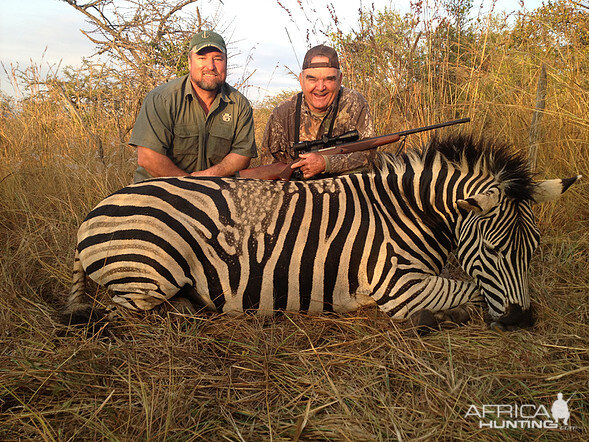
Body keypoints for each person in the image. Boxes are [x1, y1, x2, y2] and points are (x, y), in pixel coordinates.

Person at [129, 30, 257, 182]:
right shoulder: (161, 98)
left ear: (226, 62)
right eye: (202, 58)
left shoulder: (239, 104)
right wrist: (190, 185)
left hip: (213, 191)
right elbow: (148, 158)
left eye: (218, 59)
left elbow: (242, 155)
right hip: (159, 189)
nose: (210, 66)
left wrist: (206, 179)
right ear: (189, 62)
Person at [259, 44, 375, 179]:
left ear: (340, 80)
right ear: (301, 80)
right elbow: (268, 164)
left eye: (329, 79)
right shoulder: (282, 113)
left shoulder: (355, 103)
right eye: (312, 79)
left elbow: (369, 155)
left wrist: (327, 163)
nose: (320, 87)